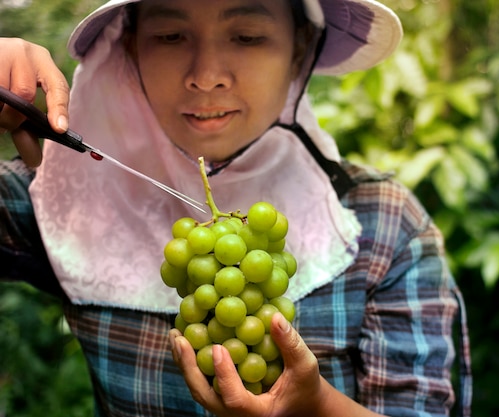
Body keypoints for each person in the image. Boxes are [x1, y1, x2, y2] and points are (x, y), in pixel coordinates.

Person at [0, 0, 472, 416]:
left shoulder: (382, 224)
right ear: (130, 49)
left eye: (247, 36)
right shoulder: (63, 193)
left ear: (299, 50)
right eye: (169, 35)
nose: (206, 76)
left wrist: (317, 409)